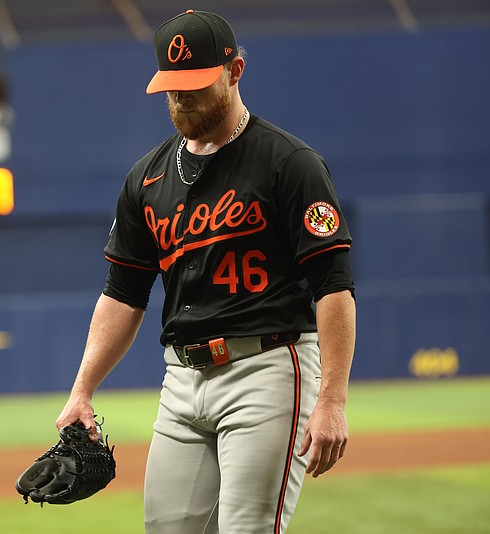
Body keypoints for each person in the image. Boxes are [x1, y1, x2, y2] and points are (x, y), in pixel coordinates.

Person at [56, 10, 356, 533]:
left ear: (235, 70)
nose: (181, 99)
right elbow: (123, 294)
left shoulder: (289, 163)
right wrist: (82, 390)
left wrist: (331, 400)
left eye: (194, 85)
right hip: (181, 379)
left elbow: (334, 286)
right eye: (172, 88)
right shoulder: (146, 179)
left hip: (267, 368)